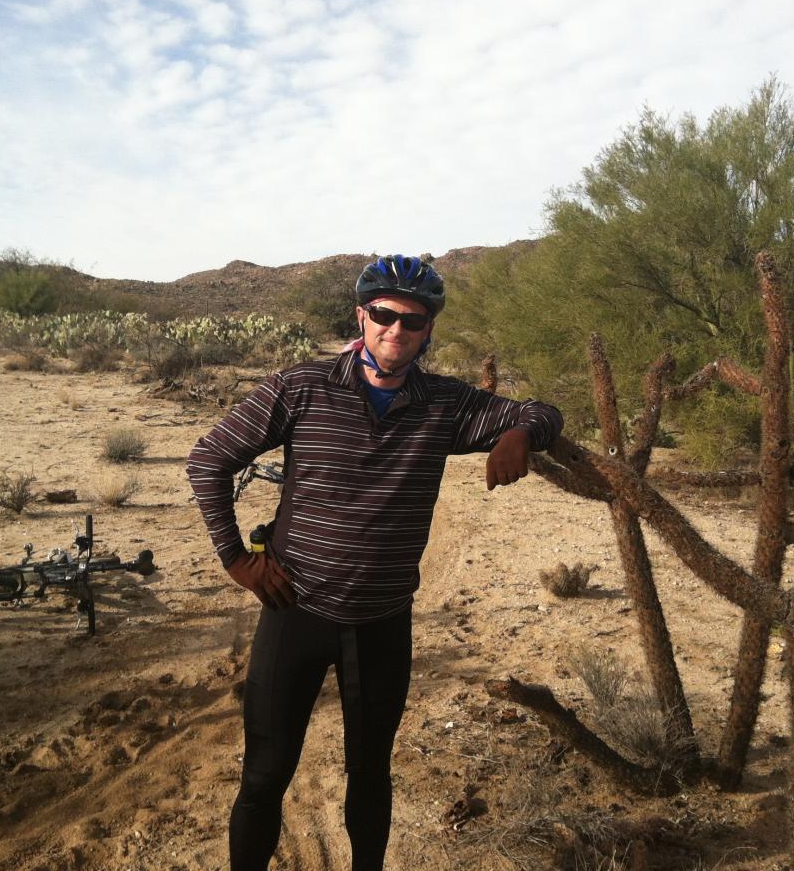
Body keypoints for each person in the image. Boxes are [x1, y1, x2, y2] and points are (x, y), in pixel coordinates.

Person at [186, 254, 563, 871]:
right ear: (362, 315)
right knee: (265, 775)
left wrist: (522, 432)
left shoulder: (446, 404)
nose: (396, 330)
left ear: (428, 330)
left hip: (383, 621)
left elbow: (542, 409)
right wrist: (236, 558)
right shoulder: (300, 387)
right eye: (383, 315)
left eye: (412, 322)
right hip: (295, 609)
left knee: (371, 775)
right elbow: (209, 460)